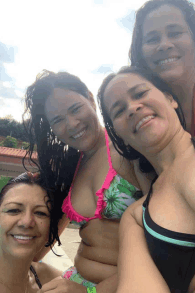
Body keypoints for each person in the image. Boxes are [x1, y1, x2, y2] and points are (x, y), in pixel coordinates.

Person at [23, 70, 149, 293]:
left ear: (90, 98)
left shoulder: (130, 149)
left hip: (128, 285)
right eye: (58, 120)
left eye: (75, 109)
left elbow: (168, 242)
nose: (71, 124)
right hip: (76, 279)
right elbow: (52, 229)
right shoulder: (71, 166)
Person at [98, 66, 195, 292]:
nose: (132, 108)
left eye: (140, 94)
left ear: (171, 99)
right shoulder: (136, 219)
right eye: (119, 111)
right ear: (120, 135)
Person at [129, 0, 195, 136]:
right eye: (152, 39)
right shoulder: (143, 112)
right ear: (141, 53)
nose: (164, 44)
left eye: (175, 33)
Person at [0, 172, 63, 293]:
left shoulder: (50, 279)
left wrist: (88, 292)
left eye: (40, 213)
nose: (27, 222)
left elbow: (93, 290)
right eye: (14, 210)